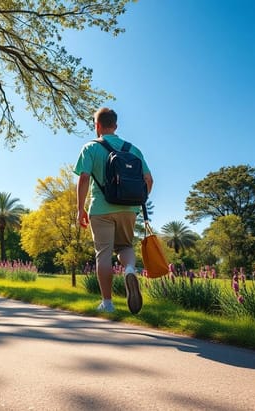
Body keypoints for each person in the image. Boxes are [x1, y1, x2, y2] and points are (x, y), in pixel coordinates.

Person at [74, 107, 153, 314]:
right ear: (115, 126)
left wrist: (80, 209)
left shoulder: (90, 147)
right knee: (125, 246)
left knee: (104, 254)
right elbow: (148, 180)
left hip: (100, 208)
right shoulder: (133, 150)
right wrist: (137, 204)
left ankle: (107, 304)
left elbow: (83, 178)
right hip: (129, 208)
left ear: (97, 126)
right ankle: (129, 269)